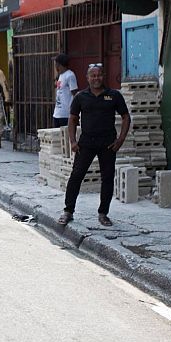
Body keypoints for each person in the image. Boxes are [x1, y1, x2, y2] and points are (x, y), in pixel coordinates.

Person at [59, 64, 130, 227]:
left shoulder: (114, 96)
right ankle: (68, 211)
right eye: (93, 75)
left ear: (103, 76)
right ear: (87, 78)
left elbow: (126, 117)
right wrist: (73, 141)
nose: (96, 78)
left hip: (108, 144)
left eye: (99, 75)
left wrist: (120, 140)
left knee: (107, 178)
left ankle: (103, 213)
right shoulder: (80, 97)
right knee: (76, 176)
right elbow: (72, 119)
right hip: (86, 143)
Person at [53, 54, 78, 127]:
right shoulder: (60, 75)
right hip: (57, 112)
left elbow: (75, 93)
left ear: (58, 64)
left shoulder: (70, 75)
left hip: (66, 114)